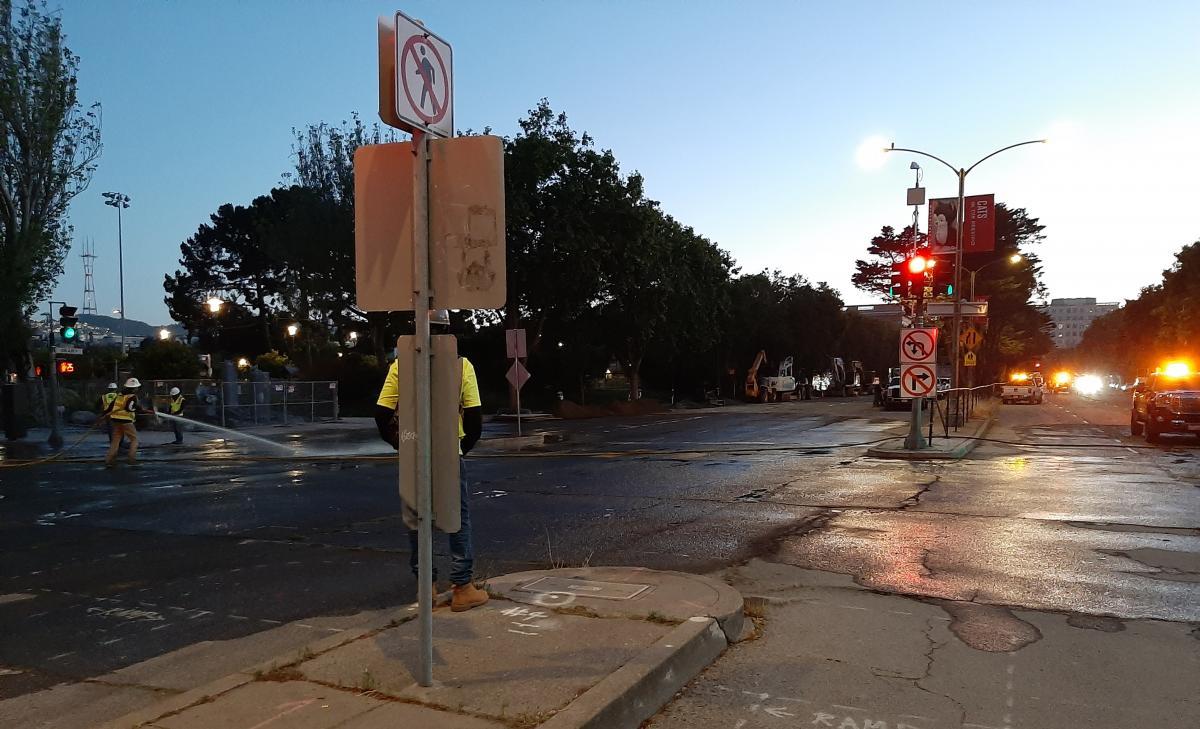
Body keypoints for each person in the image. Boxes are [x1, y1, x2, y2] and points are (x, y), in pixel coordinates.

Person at [374, 310, 488, 612]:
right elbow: (475, 419)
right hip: (450, 454)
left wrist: (403, 446)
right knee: (457, 519)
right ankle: (463, 587)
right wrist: (460, 447)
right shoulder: (461, 366)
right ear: (448, 331)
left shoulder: (401, 367)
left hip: (415, 454)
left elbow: (382, 415)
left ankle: (426, 589)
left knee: (417, 521)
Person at [103, 378, 150, 468]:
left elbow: (111, 407)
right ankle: (131, 459)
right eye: (136, 387)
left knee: (115, 440)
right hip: (126, 421)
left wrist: (103, 415)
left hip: (116, 420)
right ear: (134, 388)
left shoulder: (119, 395)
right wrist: (140, 409)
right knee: (134, 440)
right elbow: (129, 408)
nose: (137, 389)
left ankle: (109, 460)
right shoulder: (132, 396)